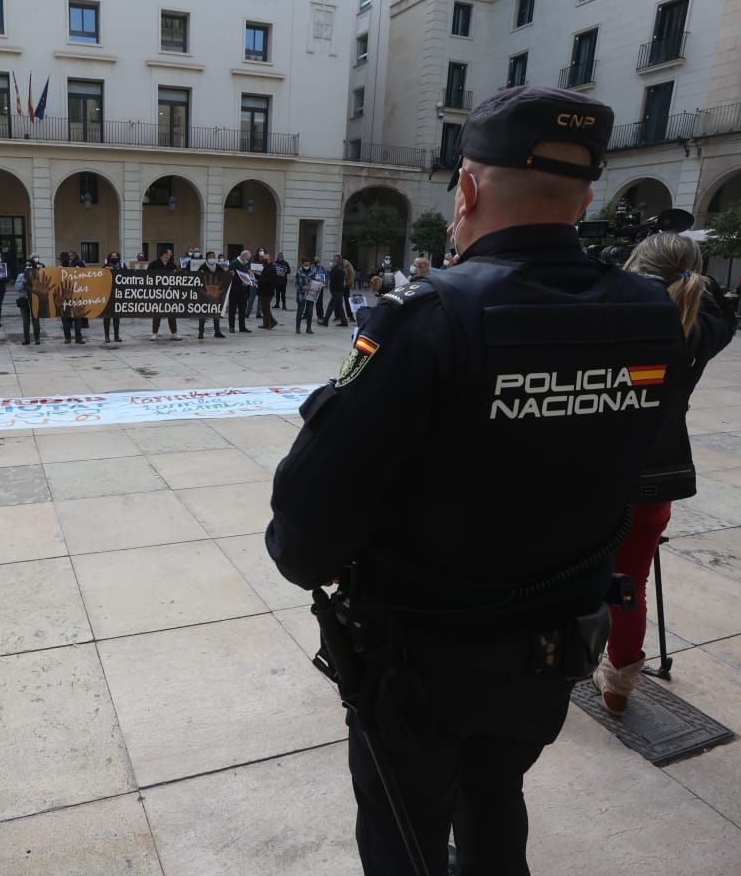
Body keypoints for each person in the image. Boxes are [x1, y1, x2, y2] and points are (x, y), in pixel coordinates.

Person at [265, 85, 688, 876]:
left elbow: (304, 535)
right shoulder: (647, 313)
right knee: (496, 799)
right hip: (555, 649)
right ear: (587, 193)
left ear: (467, 188)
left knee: (406, 838)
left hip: (424, 665)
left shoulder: (425, 318)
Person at [593, 233, 735, 717]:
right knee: (627, 581)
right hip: (656, 474)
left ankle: (555, 659)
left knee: (559, 572)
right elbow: (715, 303)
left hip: (590, 471)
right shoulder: (702, 324)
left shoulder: (615, 312)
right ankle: (620, 680)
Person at [150, 248, 182, 340]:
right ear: (164, 254)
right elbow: (147, 276)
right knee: (157, 313)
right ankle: (154, 333)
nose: (170, 256)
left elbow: (178, 277)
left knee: (171, 313)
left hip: (170, 293)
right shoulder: (154, 264)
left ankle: (174, 333)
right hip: (157, 293)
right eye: (169, 254)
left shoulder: (172, 264)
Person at [197, 252, 226, 340]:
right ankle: (201, 332)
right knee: (203, 313)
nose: (212, 258)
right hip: (205, 294)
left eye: (214, 256)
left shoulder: (218, 267)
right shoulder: (202, 267)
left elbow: (224, 276)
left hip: (216, 294)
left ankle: (217, 331)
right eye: (210, 257)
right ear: (206, 258)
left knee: (216, 312)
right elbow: (197, 279)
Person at [15, 255, 42, 345]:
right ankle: (26, 339)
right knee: (25, 321)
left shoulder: (38, 274)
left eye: (30, 265)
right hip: (24, 300)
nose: (27, 267)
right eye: (26, 265)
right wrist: (23, 283)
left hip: (34, 300)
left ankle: (37, 339)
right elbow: (17, 288)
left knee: (35, 320)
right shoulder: (21, 275)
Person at [294, 257, 324, 334]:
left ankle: (308, 328)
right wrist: (302, 287)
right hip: (301, 295)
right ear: (303, 264)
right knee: (300, 311)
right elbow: (296, 284)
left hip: (311, 295)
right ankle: (298, 328)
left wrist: (316, 285)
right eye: (305, 263)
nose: (307, 264)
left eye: (308, 263)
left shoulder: (313, 271)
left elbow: (316, 281)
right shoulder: (299, 272)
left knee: (310, 312)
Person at [227, 250, 253, 334]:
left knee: (242, 309)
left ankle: (242, 327)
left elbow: (246, 274)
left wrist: (248, 280)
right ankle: (232, 327)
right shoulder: (234, 263)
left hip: (243, 290)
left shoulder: (244, 264)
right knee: (232, 309)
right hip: (234, 290)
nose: (248, 260)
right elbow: (230, 276)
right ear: (244, 257)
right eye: (248, 259)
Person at [320, 254, 349, 327]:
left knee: (331, 306)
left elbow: (338, 281)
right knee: (339, 306)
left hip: (337, 291)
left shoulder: (339, 269)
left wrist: (336, 290)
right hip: (337, 290)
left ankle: (325, 321)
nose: (333, 261)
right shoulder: (337, 268)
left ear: (339, 260)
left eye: (335, 259)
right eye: (333, 259)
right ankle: (344, 322)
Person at [104, 252, 124, 344]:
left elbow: (127, 275)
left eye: (116, 256)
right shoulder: (105, 266)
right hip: (107, 295)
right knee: (107, 317)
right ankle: (107, 336)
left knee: (116, 317)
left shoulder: (122, 266)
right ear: (109, 258)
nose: (114, 258)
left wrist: (115, 269)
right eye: (112, 256)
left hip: (117, 294)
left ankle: (117, 336)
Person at [257, 254, 280, 329]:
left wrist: (259, 281)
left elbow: (269, 280)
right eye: (263, 259)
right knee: (264, 308)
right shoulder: (266, 267)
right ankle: (266, 324)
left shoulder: (272, 268)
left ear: (269, 259)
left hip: (268, 291)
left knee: (265, 308)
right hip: (263, 290)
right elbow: (263, 276)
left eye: (265, 259)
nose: (263, 260)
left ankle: (273, 322)